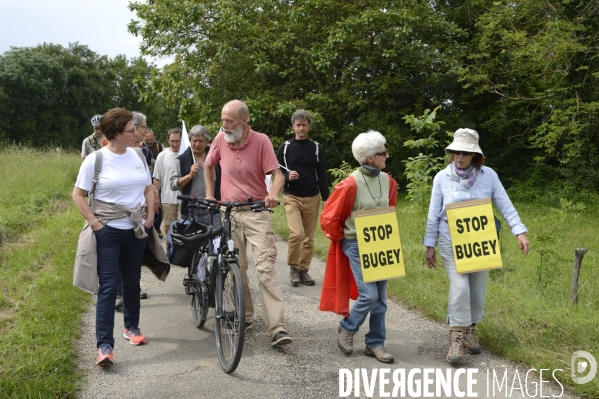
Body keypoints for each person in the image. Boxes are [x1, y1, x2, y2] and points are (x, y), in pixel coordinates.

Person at [424, 128, 529, 364]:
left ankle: (470, 330)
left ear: (475, 155)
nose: (459, 156)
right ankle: (456, 338)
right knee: (460, 287)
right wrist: (429, 244)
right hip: (451, 240)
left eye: (465, 152)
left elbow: (505, 204)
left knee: (477, 289)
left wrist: (519, 231)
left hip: (481, 241)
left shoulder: (488, 176)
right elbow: (433, 214)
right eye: (456, 152)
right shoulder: (442, 177)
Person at [204, 99, 292, 346]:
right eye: (222, 120)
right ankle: (246, 316)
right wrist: (210, 194)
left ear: (244, 120)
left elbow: (277, 175)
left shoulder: (261, 141)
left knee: (265, 269)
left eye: (229, 121)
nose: (224, 126)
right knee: (237, 269)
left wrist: (273, 193)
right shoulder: (221, 140)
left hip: (256, 212)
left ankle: (277, 328)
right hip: (230, 213)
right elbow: (208, 165)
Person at [72, 108, 155, 367]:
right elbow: (78, 195)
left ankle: (131, 327)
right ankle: (104, 346)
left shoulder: (139, 155)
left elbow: (148, 187)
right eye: (132, 130)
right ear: (117, 133)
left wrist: (150, 217)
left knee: (132, 283)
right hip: (107, 231)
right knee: (108, 287)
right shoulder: (95, 160)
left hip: (136, 230)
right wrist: (96, 225)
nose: (137, 135)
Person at [320, 130, 398, 364]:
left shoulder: (388, 180)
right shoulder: (349, 184)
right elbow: (330, 218)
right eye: (383, 152)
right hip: (356, 243)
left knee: (381, 298)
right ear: (370, 158)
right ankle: (348, 327)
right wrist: (344, 239)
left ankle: (375, 342)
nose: (387, 156)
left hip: (382, 243)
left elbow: (390, 208)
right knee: (369, 294)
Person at [277, 109, 329, 287]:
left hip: (312, 196)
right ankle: (293, 267)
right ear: (293, 126)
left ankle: (303, 270)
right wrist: (286, 177)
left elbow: (321, 173)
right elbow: (275, 171)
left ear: (309, 126)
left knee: (308, 237)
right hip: (292, 196)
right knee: (296, 233)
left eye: (304, 124)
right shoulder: (285, 147)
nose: (301, 128)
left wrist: (326, 198)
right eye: (298, 125)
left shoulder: (315, 147)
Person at [170, 125, 221, 228]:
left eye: (201, 141)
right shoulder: (181, 160)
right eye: (194, 141)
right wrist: (190, 175)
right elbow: (173, 184)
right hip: (191, 210)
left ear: (207, 141)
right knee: (193, 242)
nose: (197, 144)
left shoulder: (216, 157)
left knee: (215, 241)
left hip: (212, 208)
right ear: (190, 140)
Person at [153, 128, 182, 237]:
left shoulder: (188, 153)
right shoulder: (162, 156)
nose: (175, 144)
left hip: (184, 198)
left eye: (177, 141)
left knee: (184, 227)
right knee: (168, 227)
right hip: (167, 198)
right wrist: (156, 198)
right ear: (168, 140)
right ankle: (170, 249)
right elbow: (157, 178)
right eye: (172, 141)